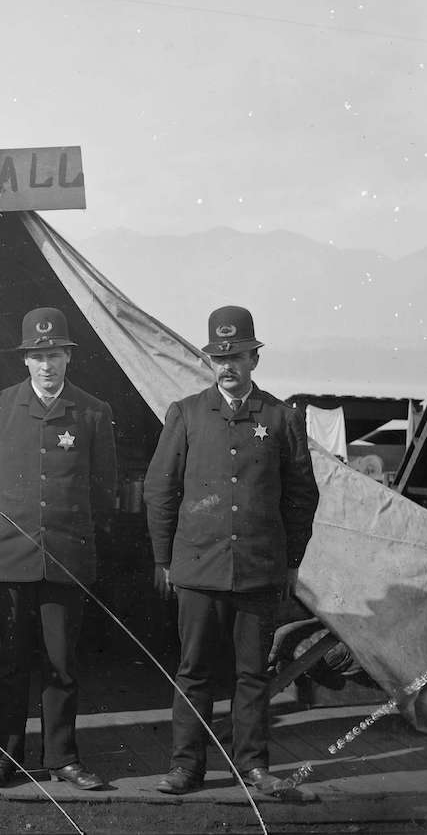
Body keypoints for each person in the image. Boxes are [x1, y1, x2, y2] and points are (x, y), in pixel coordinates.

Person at [144, 305, 318, 798]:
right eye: (219, 357)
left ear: (254, 359)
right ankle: (186, 767)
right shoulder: (187, 413)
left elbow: (302, 495)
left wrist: (290, 562)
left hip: (260, 571)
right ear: (210, 361)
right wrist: (164, 559)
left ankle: (254, 767)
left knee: (253, 674)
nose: (228, 366)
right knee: (194, 671)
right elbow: (160, 490)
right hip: (199, 567)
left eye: (238, 355)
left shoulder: (282, 418)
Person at [0, 307, 117, 791]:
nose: (47, 365)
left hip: (66, 558)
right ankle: (3, 759)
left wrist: (80, 543)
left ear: (69, 358)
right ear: (25, 361)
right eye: (37, 356)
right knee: (9, 664)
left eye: (55, 354)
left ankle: (63, 759)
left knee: (63, 664)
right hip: (8, 558)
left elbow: (102, 489)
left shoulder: (93, 412)